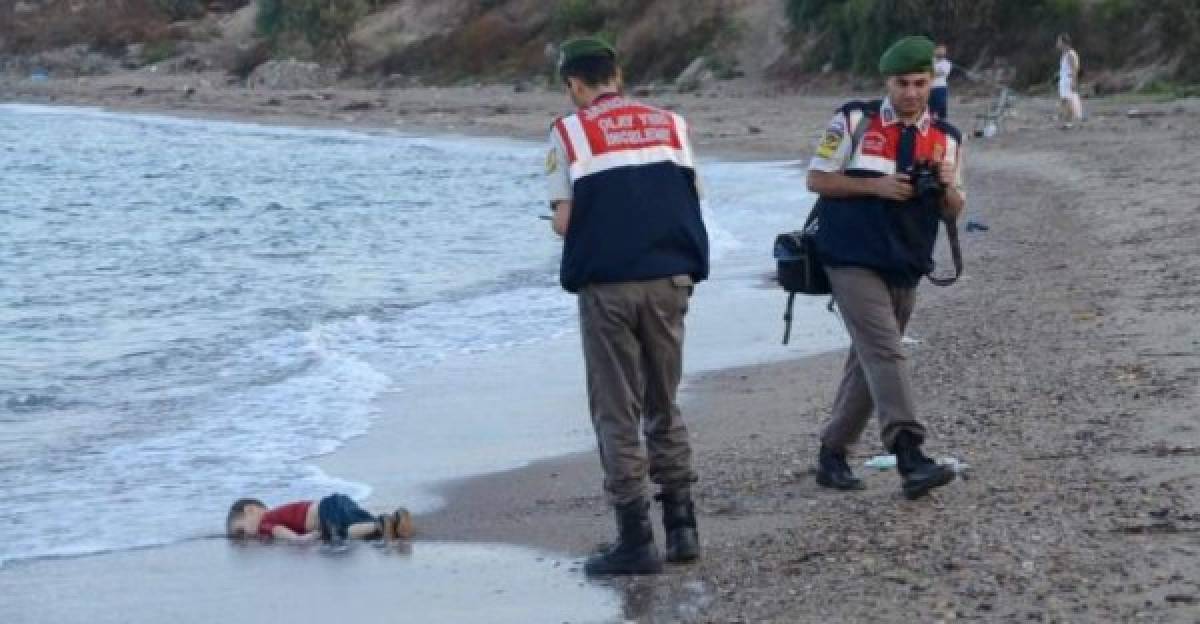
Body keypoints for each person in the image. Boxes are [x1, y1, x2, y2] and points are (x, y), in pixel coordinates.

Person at [546, 36, 709, 575]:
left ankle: (635, 538)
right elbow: (692, 195)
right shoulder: (671, 123)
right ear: (617, 73)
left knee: (617, 408)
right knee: (665, 400)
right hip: (669, 278)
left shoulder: (569, 130)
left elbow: (566, 222)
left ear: (574, 84)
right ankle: (682, 528)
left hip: (610, 286)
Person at [805, 36, 965, 500]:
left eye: (920, 82)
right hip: (850, 256)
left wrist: (946, 188)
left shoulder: (947, 137)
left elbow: (954, 210)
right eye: (902, 83)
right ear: (887, 82)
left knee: (870, 359)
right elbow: (817, 178)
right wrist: (876, 187)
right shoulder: (854, 118)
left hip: (906, 262)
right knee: (887, 351)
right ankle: (910, 452)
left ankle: (832, 453)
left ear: (931, 80)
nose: (912, 92)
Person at [225, 493, 414, 543]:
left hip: (325, 510)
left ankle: (380, 526)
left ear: (250, 510)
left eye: (241, 531)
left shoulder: (264, 521)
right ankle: (393, 520)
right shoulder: (277, 513)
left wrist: (298, 539)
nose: (246, 536)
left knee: (343, 533)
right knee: (358, 522)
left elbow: (278, 531)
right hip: (338, 501)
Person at [1057, 33, 1084, 124]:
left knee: (1068, 99)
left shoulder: (1071, 54)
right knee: (1064, 99)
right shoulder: (1065, 54)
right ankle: (1064, 116)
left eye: (1059, 41)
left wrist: (1073, 81)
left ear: (1064, 42)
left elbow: (1075, 68)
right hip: (1064, 79)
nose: (1058, 44)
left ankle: (1071, 117)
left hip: (1068, 79)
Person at [929, 43, 952, 120]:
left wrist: (932, 70)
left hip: (940, 88)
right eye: (939, 50)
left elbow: (940, 73)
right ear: (935, 51)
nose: (941, 52)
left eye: (943, 50)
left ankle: (942, 127)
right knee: (929, 110)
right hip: (929, 88)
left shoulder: (947, 63)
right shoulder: (929, 61)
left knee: (941, 109)